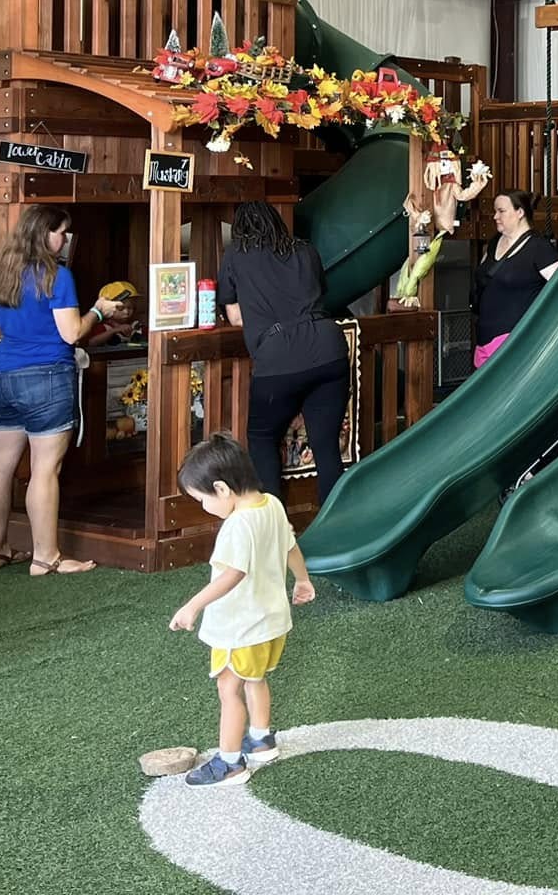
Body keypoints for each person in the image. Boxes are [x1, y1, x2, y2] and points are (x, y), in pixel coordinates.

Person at [0, 206, 125, 575]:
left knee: (1, 466)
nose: (65, 240)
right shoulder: (58, 276)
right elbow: (72, 333)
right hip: (46, 376)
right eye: (61, 232)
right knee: (45, 468)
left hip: (1, 376)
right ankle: (46, 557)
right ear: (43, 234)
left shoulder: (0, 273)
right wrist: (98, 310)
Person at [168, 433, 315, 787]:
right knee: (256, 679)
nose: (203, 507)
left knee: (229, 690)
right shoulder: (272, 505)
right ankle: (261, 740)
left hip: (240, 627)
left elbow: (233, 574)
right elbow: (290, 546)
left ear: (222, 489)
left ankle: (230, 762)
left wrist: (193, 606)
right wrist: (303, 580)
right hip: (270, 622)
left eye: (201, 499)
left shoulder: (237, 525)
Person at [217, 201, 351, 504]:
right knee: (326, 444)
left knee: (262, 437)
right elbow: (318, 296)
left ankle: (273, 524)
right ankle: (336, 526)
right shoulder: (305, 250)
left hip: (279, 356)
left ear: (239, 228)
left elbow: (236, 317)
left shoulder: (237, 255)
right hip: (329, 347)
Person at [472, 187, 558, 368]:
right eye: (495, 211)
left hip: (516, 343)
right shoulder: (494, 242)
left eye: (501, 211)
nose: (495, 216)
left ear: (520, 212)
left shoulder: (539, 249)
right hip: (483, 340)